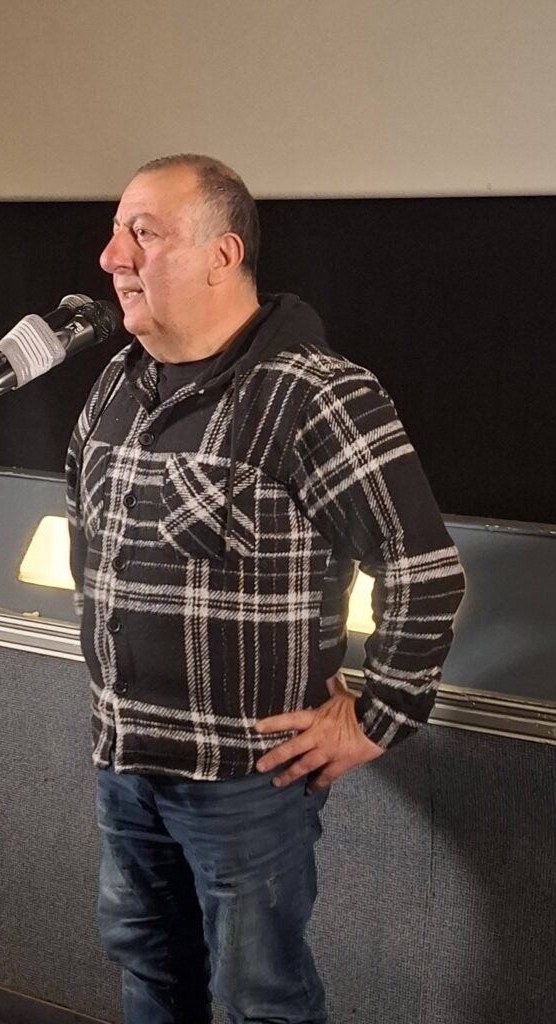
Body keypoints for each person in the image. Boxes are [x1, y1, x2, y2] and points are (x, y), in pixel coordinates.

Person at [65, 154, 465, 1024]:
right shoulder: (115, 387)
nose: (111, 256)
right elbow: (88, 544)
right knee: (148, 972)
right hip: (124, 765)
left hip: (244, 784)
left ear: (223, 254)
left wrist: (377, 717)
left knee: (260, 1001)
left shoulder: (316, 394)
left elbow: (423, 570)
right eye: (115, 231)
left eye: (143, 233)